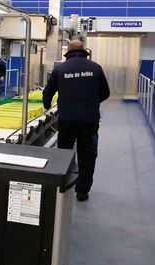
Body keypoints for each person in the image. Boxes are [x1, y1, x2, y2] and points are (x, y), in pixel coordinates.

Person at [42, 40, 111, 201]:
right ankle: (82, 191)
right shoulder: (95, 68)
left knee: (64, 152)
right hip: (89, 120)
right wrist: (92, 103)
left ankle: (62, 184)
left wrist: (47, 106)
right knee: (87, 155)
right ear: (84, 51)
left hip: (66, 119)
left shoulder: (60, 69)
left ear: (68, 52)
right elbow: (106, 92)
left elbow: (48, 91)